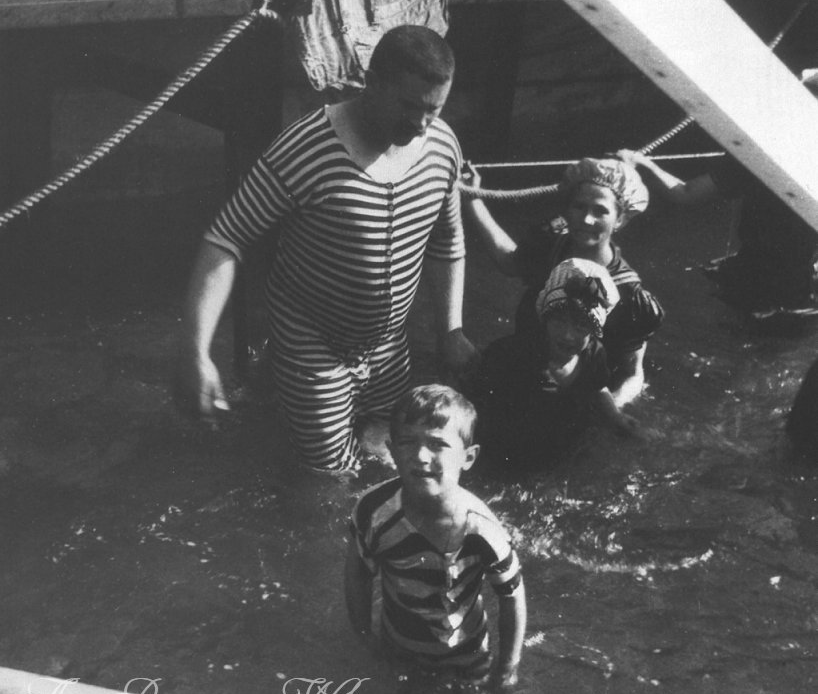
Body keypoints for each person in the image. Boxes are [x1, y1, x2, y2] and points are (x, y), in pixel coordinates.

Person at [175, 25, 478, 474]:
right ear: (372, 83)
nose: (420, 125)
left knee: (393, 459)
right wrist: (195, 351)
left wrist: (450, 330)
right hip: (312, 342)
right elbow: (226, 237)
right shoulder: (306, 148)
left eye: (433, 110)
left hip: (388, 345)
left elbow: (447, 240)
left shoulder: (442, 146)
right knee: (329, 477)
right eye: (409, 106)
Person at [345, 384, 526, 688]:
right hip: (397, 649)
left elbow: (512, 597)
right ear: (391, 450)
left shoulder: (482, 530)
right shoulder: (373, 512)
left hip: (466, 658)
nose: (420, 455)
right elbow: (357, 574)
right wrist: (364, 637)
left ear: (468, 457)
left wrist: (507, 669)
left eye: (437, 444)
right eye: (407, 442)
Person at [464, 157, 664, 407]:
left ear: (620, 219)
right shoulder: (550, 245)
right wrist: (473, 198)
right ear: (567, 209)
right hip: (524, 371)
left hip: (583, 393)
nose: (587, 219)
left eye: (600, 211)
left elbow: (632, 374)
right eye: (579, 207)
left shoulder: (628, 293)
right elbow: (509, 262)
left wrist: (610, 411)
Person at [473, 258, 640, 471]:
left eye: (581, 326)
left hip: (562, 441)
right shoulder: (512, 355)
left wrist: (615, 416)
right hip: (511, 448)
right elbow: (479, 403)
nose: (568, 335)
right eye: (559, 321)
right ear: (545, 318)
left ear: (594, 331)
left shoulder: (593, 353)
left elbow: (597, 386)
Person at [616, 147, 818, 319]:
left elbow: (685, 193)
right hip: (800, 285)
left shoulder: (759, 155)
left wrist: (643, 166)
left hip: (752, 275)